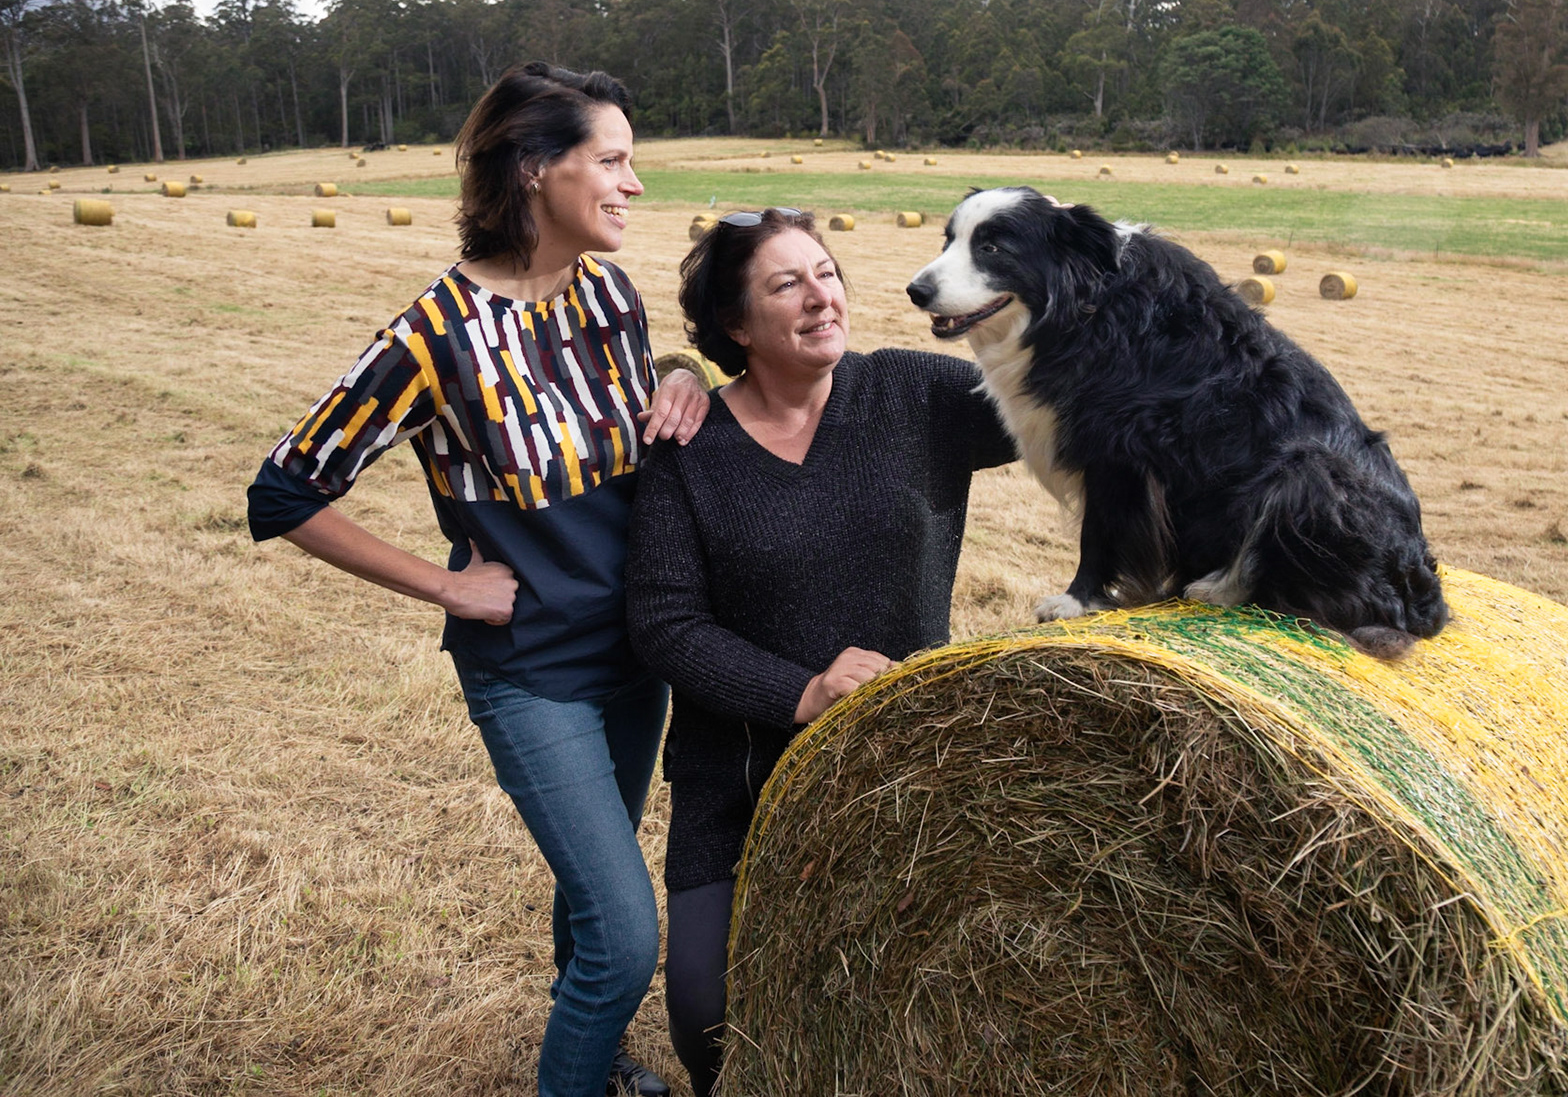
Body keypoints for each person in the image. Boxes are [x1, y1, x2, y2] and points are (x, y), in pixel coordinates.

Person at [247, 62, 704, 1097]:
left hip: (638, 652)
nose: (635, 183)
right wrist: (445, 585)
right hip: (533, 668)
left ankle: (595, 1061)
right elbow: (283, 490)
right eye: (615, 159)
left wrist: (682, 372)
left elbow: (644, 399)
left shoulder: (610, 294)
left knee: (594, 904)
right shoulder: (434, 336)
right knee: (629, 938)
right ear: (539, 168)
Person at [624, 208, 1018, 1096]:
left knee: (910, 1002)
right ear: (736, 327)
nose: (820, 296)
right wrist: (802, 691)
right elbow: (664, 624)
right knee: (707, 1016)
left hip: (900, 767)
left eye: (827, 271)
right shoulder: (689, 448)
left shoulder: (912, 395)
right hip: (741, 773)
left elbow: (1066, 404)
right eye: (785, 284)